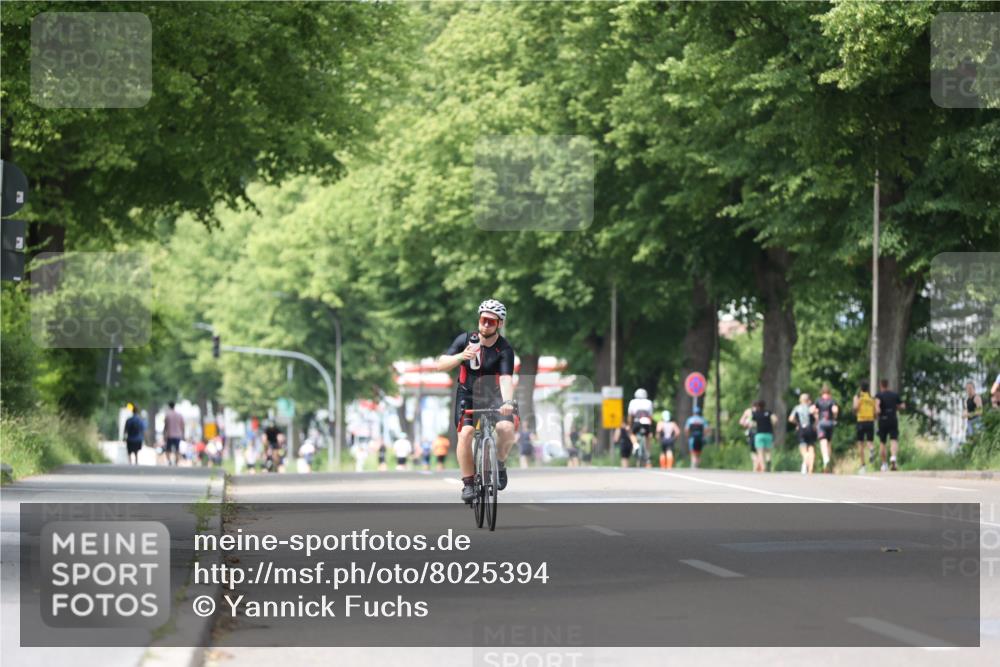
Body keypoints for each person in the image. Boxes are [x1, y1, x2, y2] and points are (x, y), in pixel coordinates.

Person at [437, 299, 518, 503]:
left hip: (495, 396)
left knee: (506, 429)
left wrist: (508, 401)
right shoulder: (465, 340)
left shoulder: (504, 348)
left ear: (499, 324)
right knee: (466, 433)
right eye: (483, 320)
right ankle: (469, 483)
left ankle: (499, 464)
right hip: (468, 394)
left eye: (492, 322)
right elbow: (441, 364)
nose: (486, 325)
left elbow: (507, 378)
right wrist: (460, 356)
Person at [875, 379, 905, 472]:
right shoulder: (894, 395)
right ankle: (893, 457)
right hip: (893, 419)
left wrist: (877, 412)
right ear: (888, 385)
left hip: (883, 420)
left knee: (882, 442)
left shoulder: (879, 395)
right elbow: (903, 406)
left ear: (881, 385)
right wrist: (896, 407)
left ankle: (884, 464)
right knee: (894, 440)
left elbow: (877, 407)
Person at [812, 385, 839, 473]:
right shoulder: (832, 401)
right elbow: (835, 410)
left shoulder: (818, 401)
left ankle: (825, 458)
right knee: (829, 443)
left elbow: (812, 410)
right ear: (829, 393)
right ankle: (828, 461)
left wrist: (816, 416)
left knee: (823, 442)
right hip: (830, 423)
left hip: (821, 423)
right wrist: (835, 417)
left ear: (822, 393)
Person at [744, 400, 776, 472]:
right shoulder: (768, 412)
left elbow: (749, 422)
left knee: (760, 452)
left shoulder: (755, 414)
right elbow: (775, 419)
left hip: (759, 434)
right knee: (768, 451)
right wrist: (771, 425)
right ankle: (768, 462)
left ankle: (763, 467)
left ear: (757, 406)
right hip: (768, 434)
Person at [789, 393, 817, 474]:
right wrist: (815, 425)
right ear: (808, 400)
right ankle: (810, 468)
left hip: (801, 428)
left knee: (803, 448)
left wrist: (797, 423)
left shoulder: (797, 408)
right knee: (811, 447)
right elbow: (816, 418)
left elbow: (791, 418)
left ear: (800, 400)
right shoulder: (811, 408)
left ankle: (805, 461)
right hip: (810, 428)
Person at [853, 380, 877, 473]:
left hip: (861, 421)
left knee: (860, 444)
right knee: (870, 442)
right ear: (868, 388)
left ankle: (863, 466)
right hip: (870, 421)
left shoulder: (858, 396)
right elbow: (875, 412)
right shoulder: (871, 398)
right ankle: (871, 449)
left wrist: (856, 409)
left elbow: (855, 407)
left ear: (860, 388)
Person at [627, 388, 655, 468]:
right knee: (648, 436)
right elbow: (650, 415)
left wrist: (629, 425)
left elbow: (630, 415)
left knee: (631, 433)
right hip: (646, 422)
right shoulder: (649, 402)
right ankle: (648, 452)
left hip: (637, 421)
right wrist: (650, 426)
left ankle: (635, 445)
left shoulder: (633, 402)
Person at [163, 401, 185, 467]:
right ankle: (176, 461)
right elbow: (182, 425)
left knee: (168, 449)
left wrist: (164, 434)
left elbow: (165, 426)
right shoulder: (179, 415)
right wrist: (183, 434)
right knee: (177, 449)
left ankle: (169, 461)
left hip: (169, 435)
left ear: (169, 406)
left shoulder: (167, 415)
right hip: (178, 435)